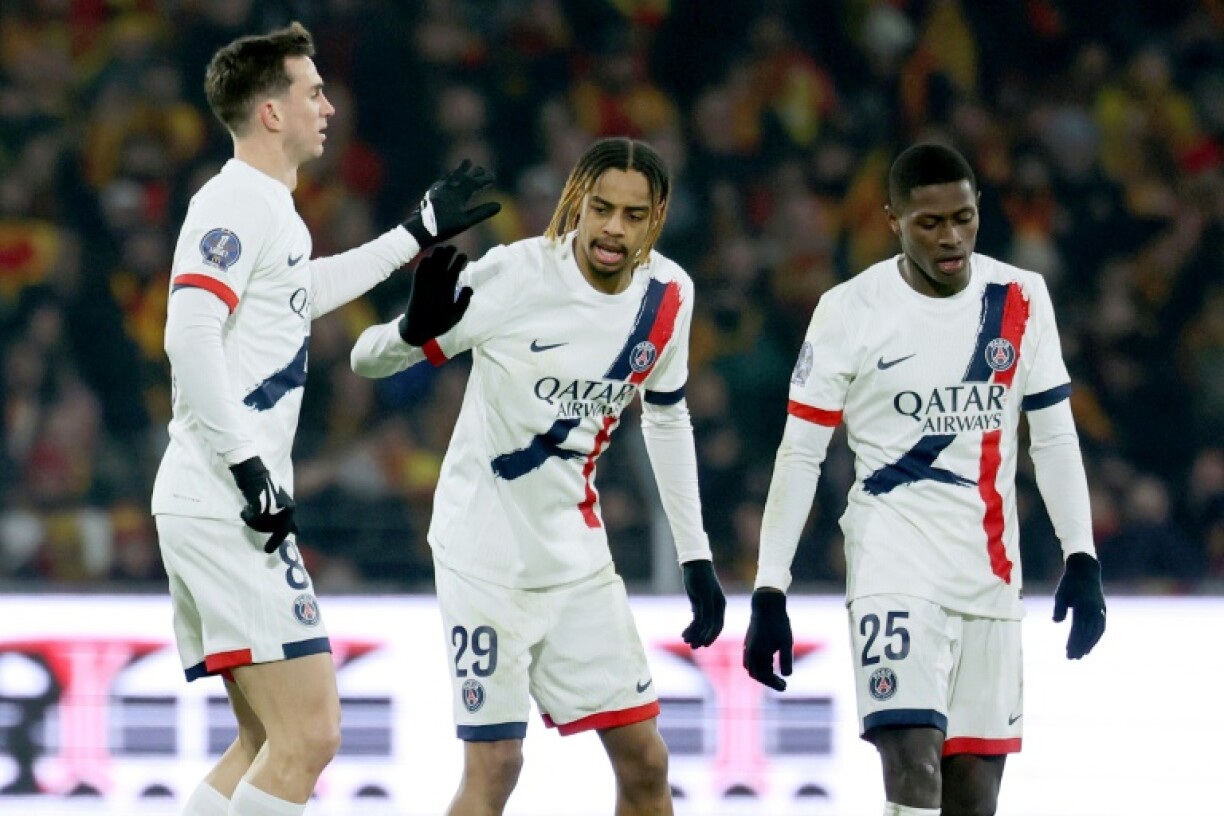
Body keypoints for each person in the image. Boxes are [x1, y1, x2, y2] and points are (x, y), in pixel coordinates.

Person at [151, 22, 499, 816]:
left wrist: (418, 232)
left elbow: (303, 289)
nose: (329, 107)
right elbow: (188, 331)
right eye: (313, 92)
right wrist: (246, 467)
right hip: (225, 501)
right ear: (270, 112)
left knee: (262, 744)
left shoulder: (265, 208)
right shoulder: (237, 198)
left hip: (210, 500)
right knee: (310, 736)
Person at [350, 136, 726, 816]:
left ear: (657, 217)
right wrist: (413, 330)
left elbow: (666, 420)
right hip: (482, 555)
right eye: (601, 208)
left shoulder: (670, 297)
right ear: (576, 204)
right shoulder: (517, 276)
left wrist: (695, 555)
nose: (614, 228)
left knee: (646, 761)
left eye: (633, 215)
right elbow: (364, 359)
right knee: (496, 763)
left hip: (576, 558)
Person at [742, 143, 1107, 816]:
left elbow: (1052, 437)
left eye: (963, 219)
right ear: (893, 222)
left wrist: (1081, 556)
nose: (951, 238)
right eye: (929, 223)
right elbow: (800, 455)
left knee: (972, 799)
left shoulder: (1020, 298)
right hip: (892, 564)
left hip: (990, 577)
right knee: (912, 769)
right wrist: (770, 589)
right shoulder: (848, 310)